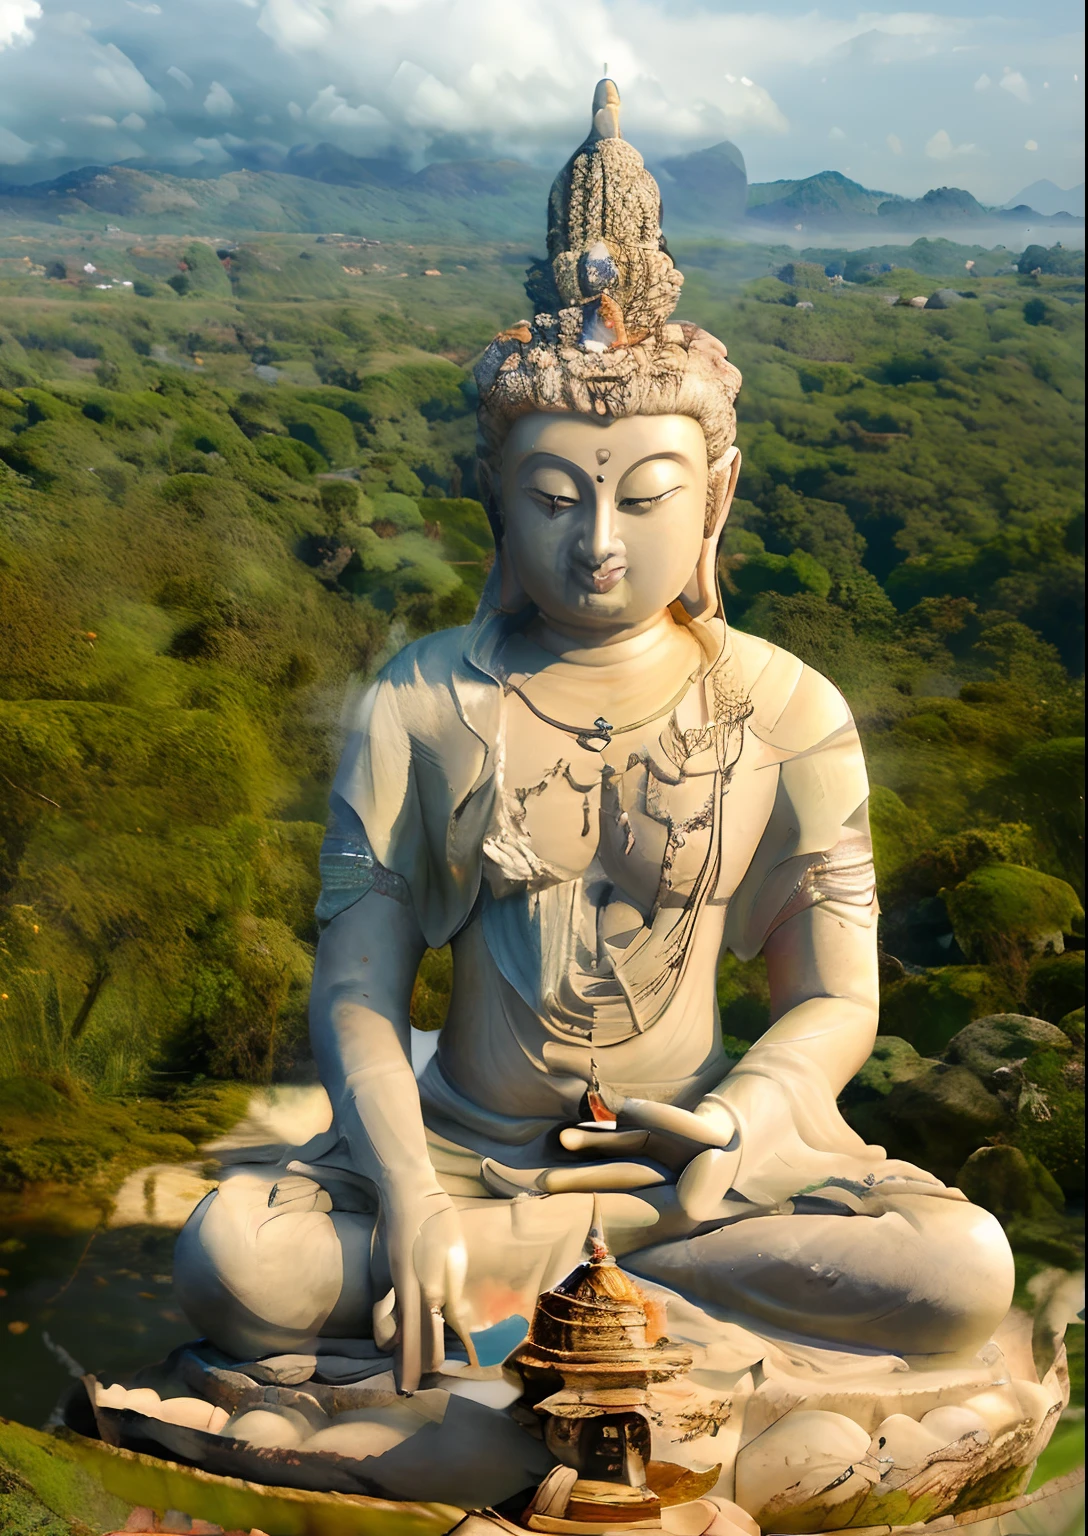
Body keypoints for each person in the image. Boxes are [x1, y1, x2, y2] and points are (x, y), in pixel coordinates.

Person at [175, 79, 1013, 1402]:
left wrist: (738, 1121)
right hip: (463, 1154)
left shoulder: (788, 708)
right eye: (556, 496)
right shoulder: (421, 700)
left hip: (699, 1175)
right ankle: (557, 1283)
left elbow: (837, 997)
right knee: (234, 1261)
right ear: (496, 500)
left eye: (647, 496)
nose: (602, 542)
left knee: (964, 1264)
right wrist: (404, 1189)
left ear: (718, 494)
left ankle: (549, 1292)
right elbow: (357, 994)